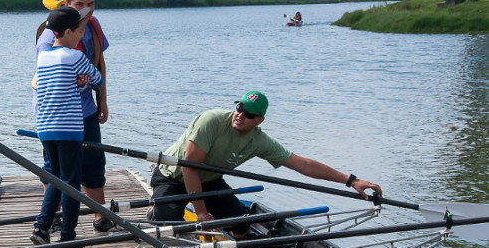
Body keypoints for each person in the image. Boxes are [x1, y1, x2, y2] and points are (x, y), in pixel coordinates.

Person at [149, 91, 382, 224]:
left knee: (241, 223)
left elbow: (302, 165)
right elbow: (189, 167)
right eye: (239, 108)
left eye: (249, 114)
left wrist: (350, 180)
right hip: (172, 177)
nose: (240, 115)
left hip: (209, 182)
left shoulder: (260, 142)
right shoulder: (211, 121)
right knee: (168, 224)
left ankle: (237, 243)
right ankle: (156, 212)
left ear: (259, 120)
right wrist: (201, 211)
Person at [35, 0, 112, 232]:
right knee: (56, 169)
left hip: (86, 109)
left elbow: (99, 65)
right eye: (80, 5)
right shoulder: (50, 35)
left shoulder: (93, 26)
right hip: (58, 114)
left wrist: (102, 100)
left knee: (93, 162)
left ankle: (100, 216)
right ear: (67, 4)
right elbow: (42, 79)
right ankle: (56, 220)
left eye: (91, 4)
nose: (86, 10)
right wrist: (74, 79)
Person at [30, 6, 103, 248]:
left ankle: (41, 228)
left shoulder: (43, 57)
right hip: (68, 129)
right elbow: (97, 79)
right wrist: (85, 79)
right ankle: (68, 241)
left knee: (55, 178)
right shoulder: (75, 56)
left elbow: (57, 85)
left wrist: (78, 81)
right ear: (69, 32)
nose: (81, 36)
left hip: (45, 127)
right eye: (80, 31)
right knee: (71, 183)